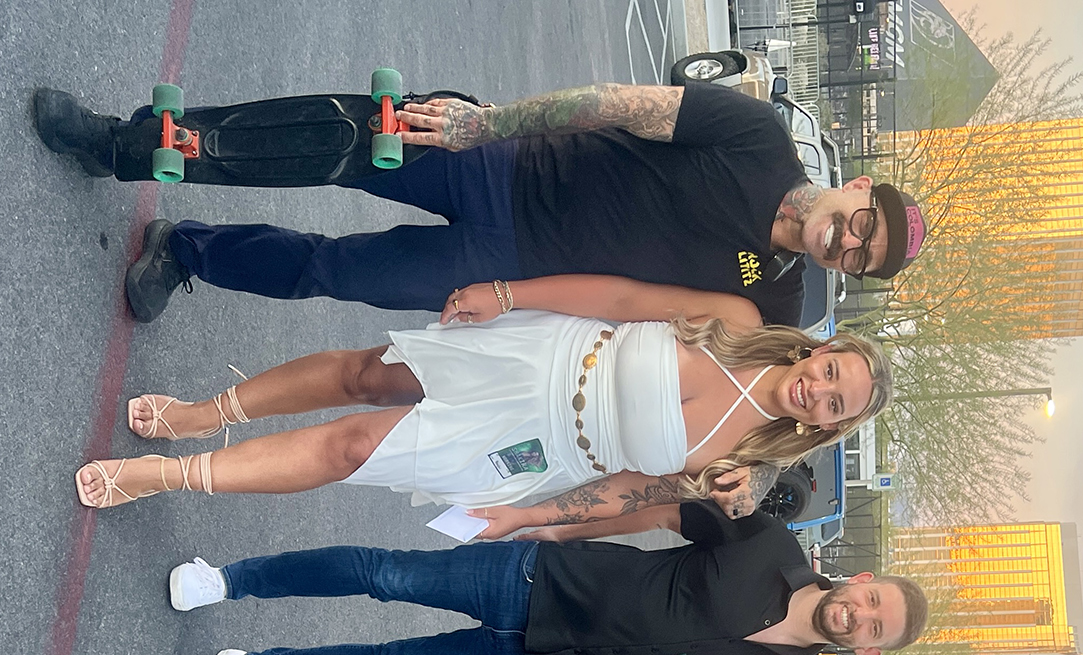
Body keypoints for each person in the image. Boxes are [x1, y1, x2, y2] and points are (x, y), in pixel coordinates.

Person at [33, 83, 928, 324]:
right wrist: (485, 123)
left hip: (505, 265)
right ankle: (118, 142)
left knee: (330, 273)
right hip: (499, 163)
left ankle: (186, 251)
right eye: (864, 225)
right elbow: (618, 104)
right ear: (857, 189)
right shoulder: (757, 136)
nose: (848, 243)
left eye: (862, 258)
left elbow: (742, 386)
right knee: (325, 142)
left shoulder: (775, 298)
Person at [74, 281, 892, 512]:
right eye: (833, 374)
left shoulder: (744, 464)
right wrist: (508, 293)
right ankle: (200, 416)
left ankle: (169, 478)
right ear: (823, 351)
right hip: (546, 355)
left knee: (356, 450)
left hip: (544, 452)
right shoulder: (738, 320)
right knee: (367, 374)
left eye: (835, 406)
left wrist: (523, 518)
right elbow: (621, 298)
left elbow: (627, 492)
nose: (819, 392)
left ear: (827, 428)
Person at [163, 507, 926, 655]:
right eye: (872, 601)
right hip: (542, 580)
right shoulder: (771, 543)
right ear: (861, 580)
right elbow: (661, 508)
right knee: (387, 574)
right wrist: (556, 524)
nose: (860, 615)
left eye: (875, 629)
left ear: (867, 650)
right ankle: (228, 580)